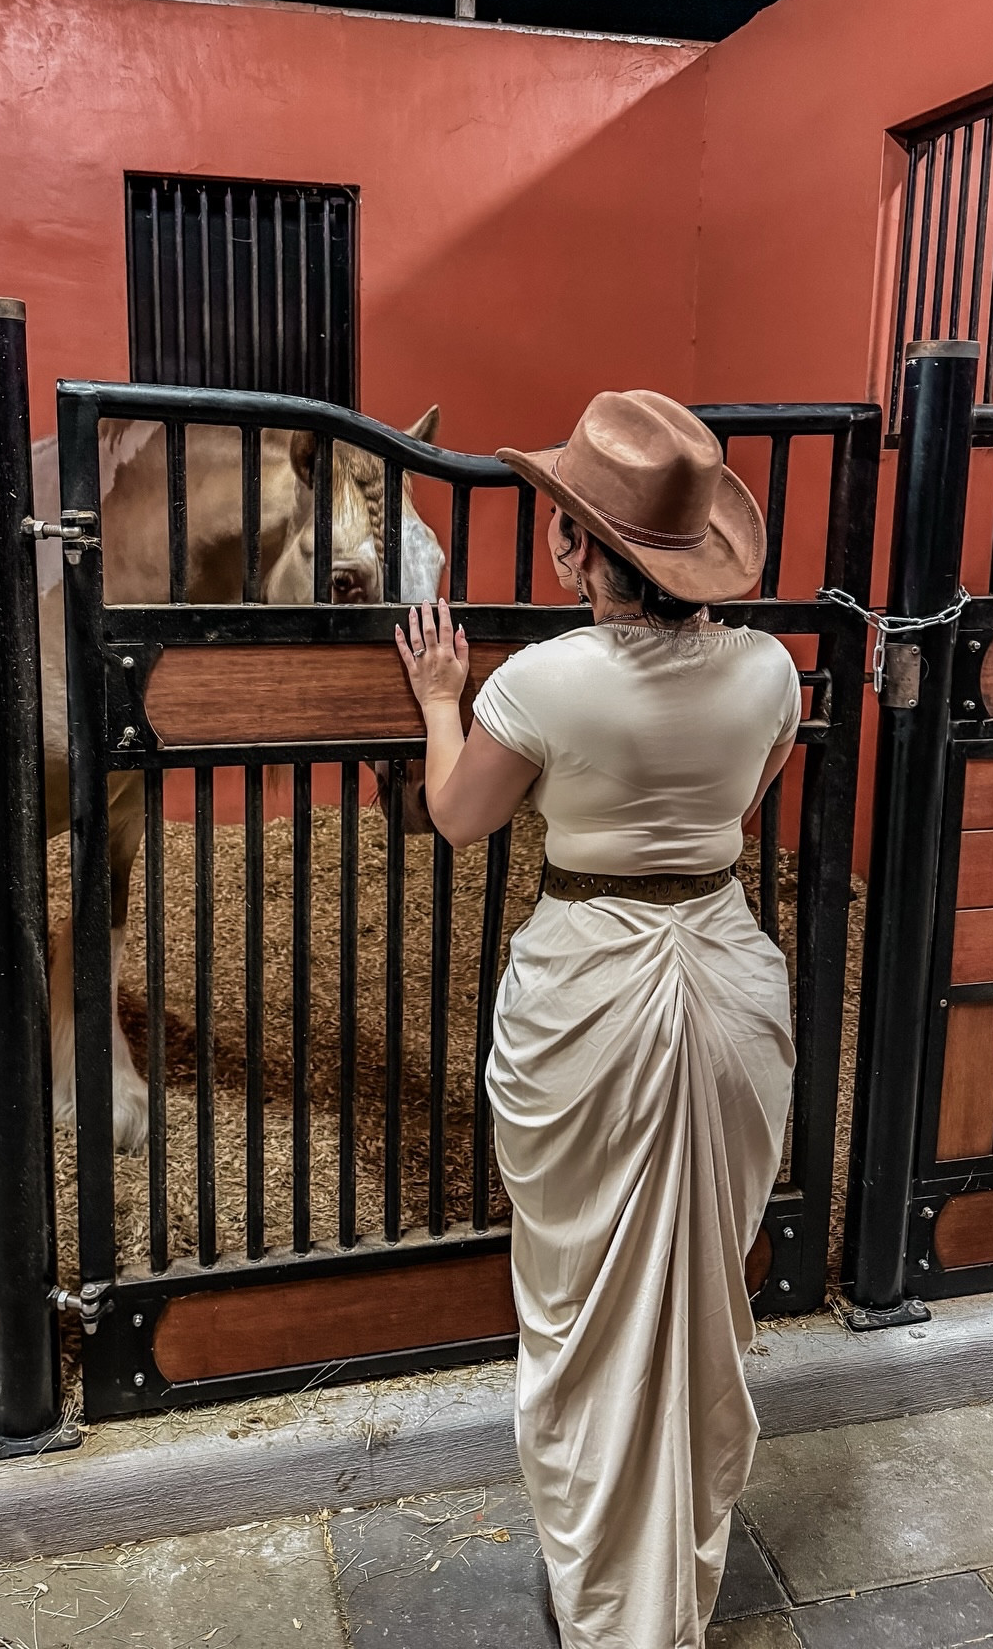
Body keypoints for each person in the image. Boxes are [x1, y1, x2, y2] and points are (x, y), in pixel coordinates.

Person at [394, 390, 800, 1649]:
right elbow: (744, 808)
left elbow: (460, 819)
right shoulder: (772, 668)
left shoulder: (549, 681)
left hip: (595, 991)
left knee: (582, 1301)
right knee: (701, 1292)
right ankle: (676, 1568)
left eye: (564, 526)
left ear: (581, 550)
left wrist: (439, 700)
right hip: (726, 977)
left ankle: (610, 1595)